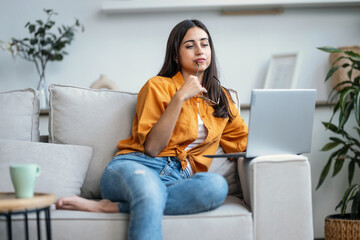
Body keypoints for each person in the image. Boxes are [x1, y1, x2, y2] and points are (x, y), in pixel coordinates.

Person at [56, 19, 248, 240]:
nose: (199, 51)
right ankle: (139, 199)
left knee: (215, 186)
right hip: (135, 166)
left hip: (178, 177)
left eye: (204, 44)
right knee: (148, 189)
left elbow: (246, 141)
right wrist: (180, 97)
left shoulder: (221, 99)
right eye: (189, 45)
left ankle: (109, 208)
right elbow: (152, 148)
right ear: (176, 56)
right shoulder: (156, 86)